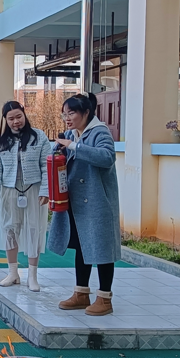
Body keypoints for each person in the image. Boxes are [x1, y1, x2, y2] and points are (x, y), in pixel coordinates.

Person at [48, 92, 121, 317]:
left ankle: (105, 297)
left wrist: (74, 146)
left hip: (97, 201)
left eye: (72, 113)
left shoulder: (100, 132)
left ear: (86, 113)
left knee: (101, 250)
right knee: (82, 246)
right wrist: (59, 149)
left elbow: (107, 157)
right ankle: (81, 293)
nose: (67, 118)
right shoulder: (72, 133)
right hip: (77, 202)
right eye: (65, 114)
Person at [0, 101, 51, 292]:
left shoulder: (39, 137)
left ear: (24, 115)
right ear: (5, 120)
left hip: (34, 189)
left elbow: (46, 166)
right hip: (9, 189)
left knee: (34, 228)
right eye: (11, 118)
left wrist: (45, 190)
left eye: (18, 117)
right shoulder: (0, 141)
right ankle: (13, 273)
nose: (16, 122)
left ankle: (32, 276)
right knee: (10, 228)